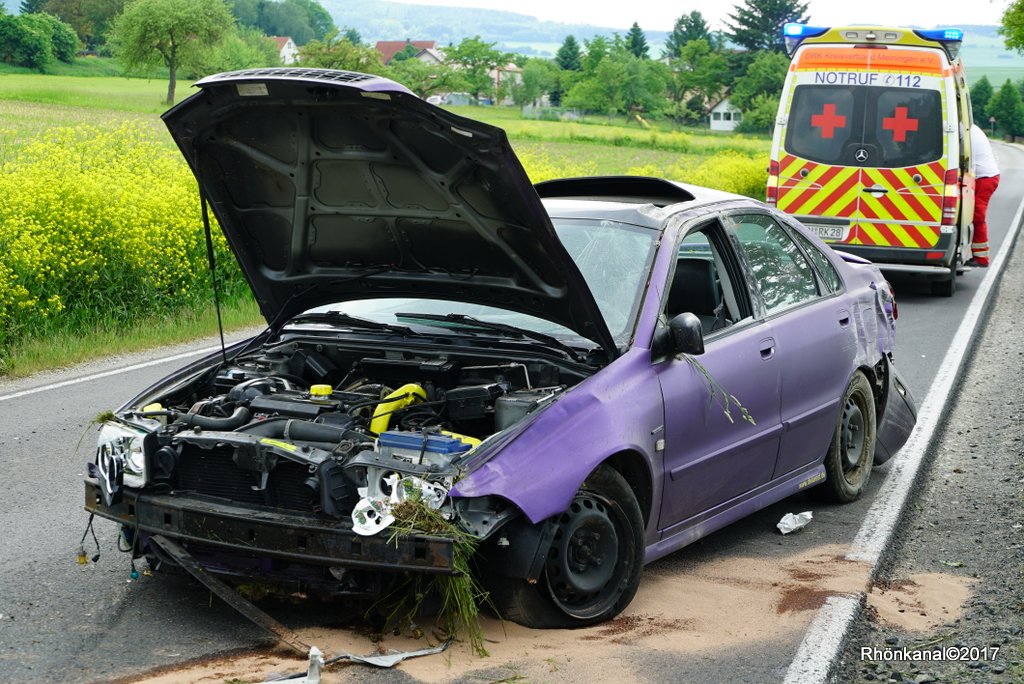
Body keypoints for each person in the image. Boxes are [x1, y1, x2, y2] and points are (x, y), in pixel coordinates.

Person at [967, 124, 1000, 267]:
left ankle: (982, 258)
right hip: (985, 176)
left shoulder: (965, 129)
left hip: (984, 178)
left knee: (977, 217)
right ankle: (978, 255)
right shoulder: (972, 127)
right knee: (975, 216)